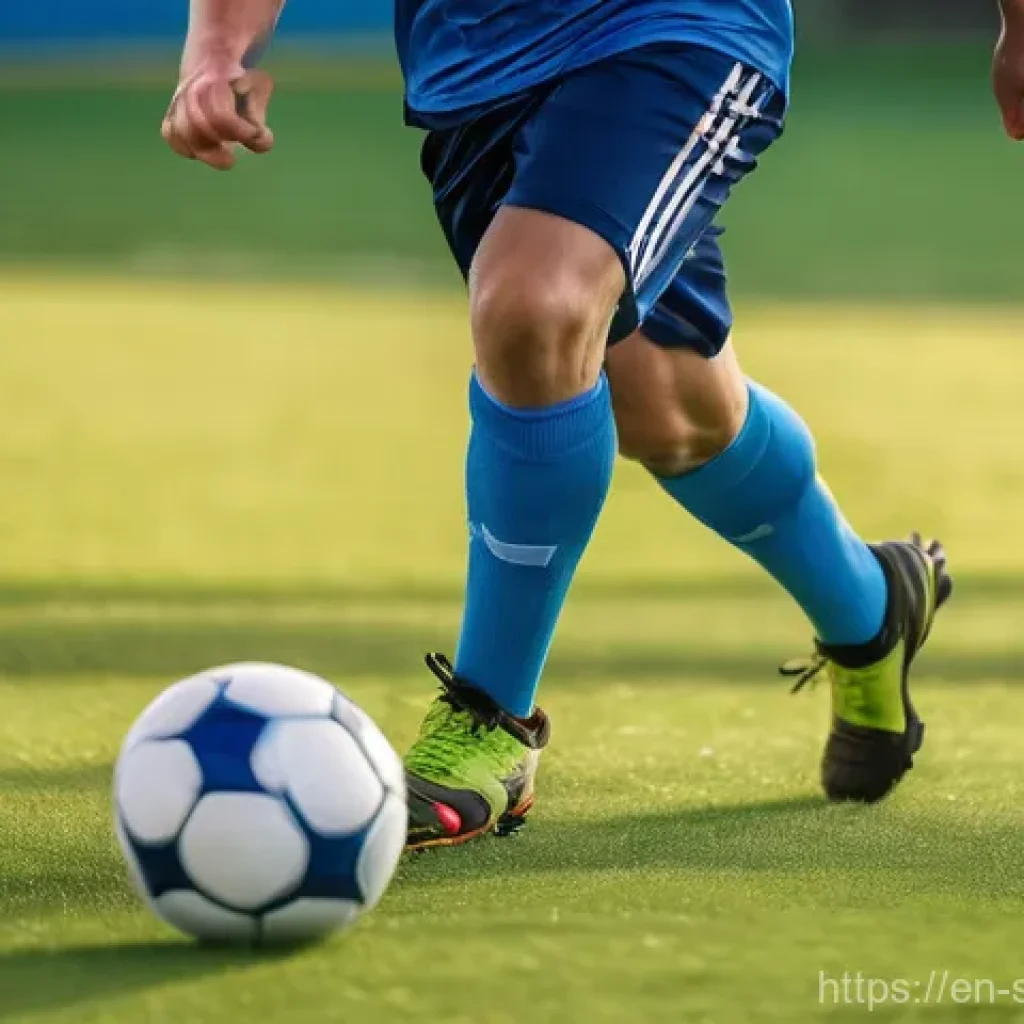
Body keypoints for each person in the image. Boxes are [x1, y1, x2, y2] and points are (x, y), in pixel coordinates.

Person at [162, 0, 1021, 851]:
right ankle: (873, 604)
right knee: (670, 411)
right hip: (474, 66)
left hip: (678, 26)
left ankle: (489, 719)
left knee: (535, 304)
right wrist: (215, 52)